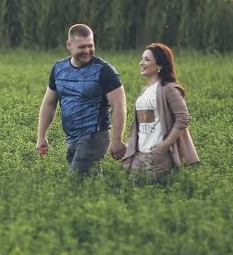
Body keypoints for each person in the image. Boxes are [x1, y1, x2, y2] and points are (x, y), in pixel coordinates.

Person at [35, 24, 127, 174]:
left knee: (74, 183)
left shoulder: (104, 70)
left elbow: (119, 106)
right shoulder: (59, 69)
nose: (87, 51)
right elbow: (49, 103)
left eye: (90, 46)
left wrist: (117, 140)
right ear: (69, 45)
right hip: (71, 137)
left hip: (94, 135)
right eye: (81, 47)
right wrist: (41, 136)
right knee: (89, 185)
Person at [120, 43, 200, 181]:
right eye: (142, 59)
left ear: (160, 65)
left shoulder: (169, 89)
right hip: (139, 155)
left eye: (147, 60)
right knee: (132, 196)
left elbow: (183, 119)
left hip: (158, 156)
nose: (141, 63)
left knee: (153, 195)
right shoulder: (144, 90)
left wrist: (164, 145)